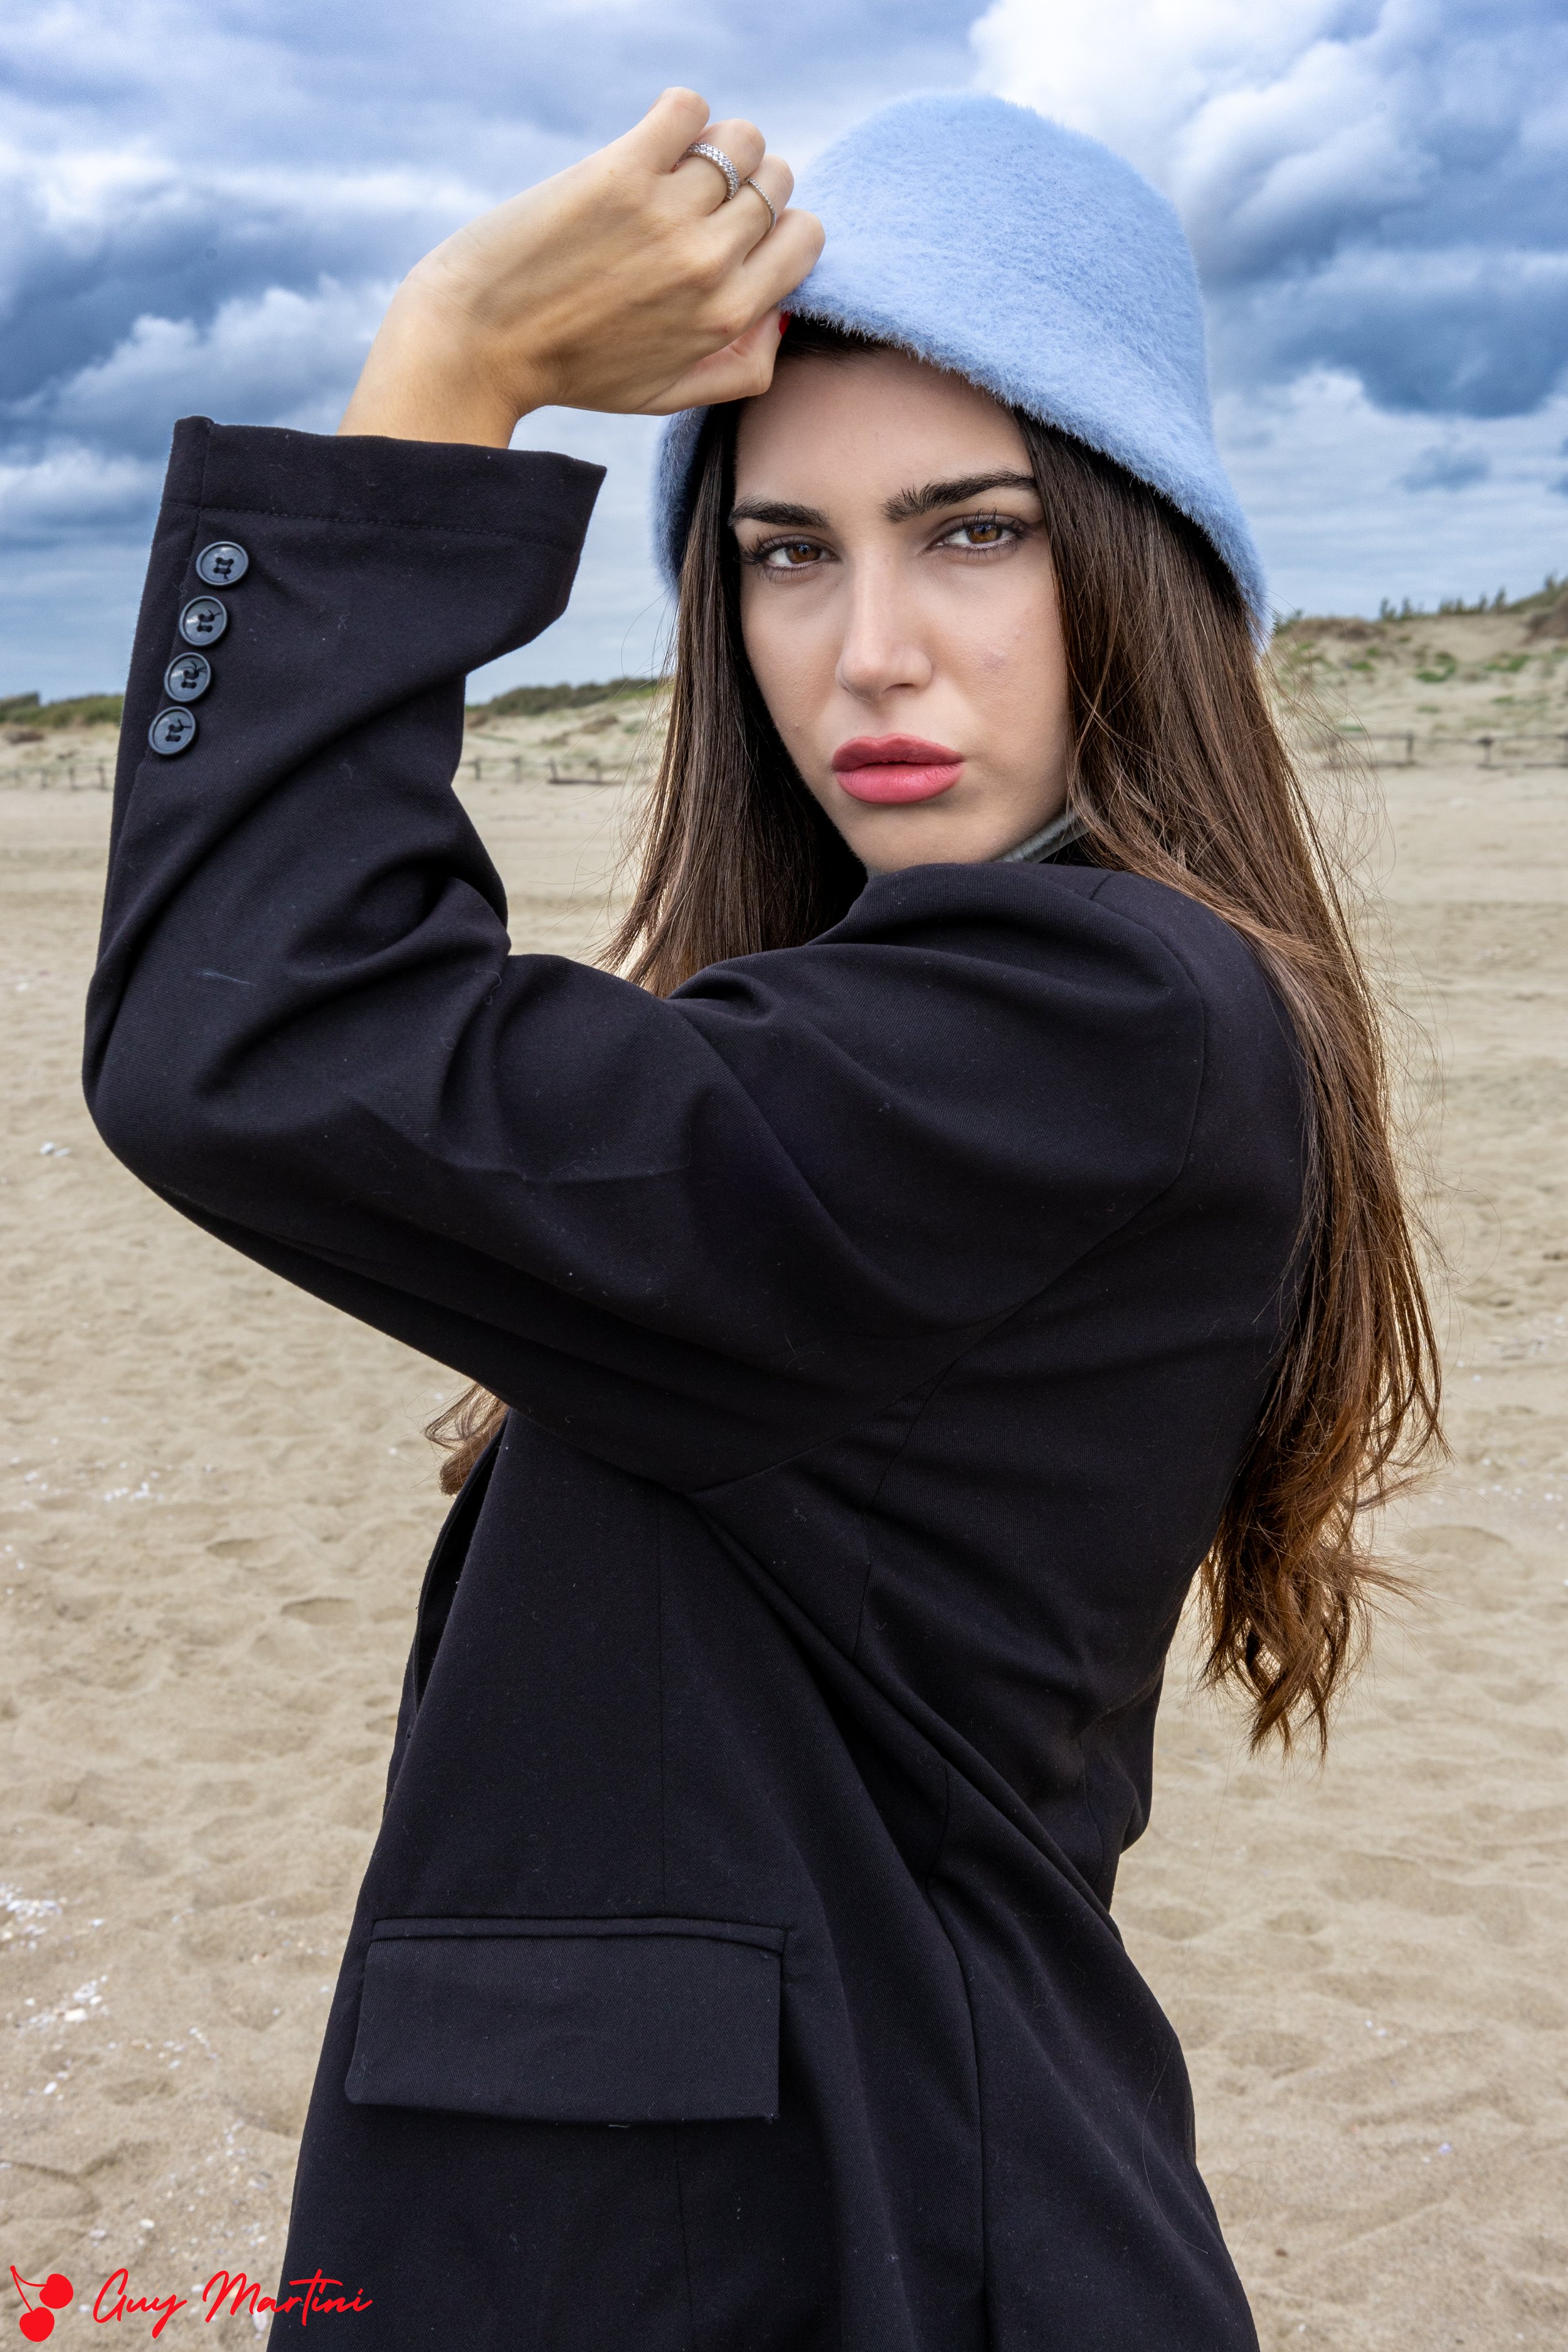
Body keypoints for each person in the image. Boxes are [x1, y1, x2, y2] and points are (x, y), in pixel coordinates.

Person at [84, 84, 1439, 2351]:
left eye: (972, 533)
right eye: (786, 552)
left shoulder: (1098, 1021)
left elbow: (259, 1036)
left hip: (849, 2250)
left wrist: (451, 363)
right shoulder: (910, 1025)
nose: (867, 647)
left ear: (1142, 566)